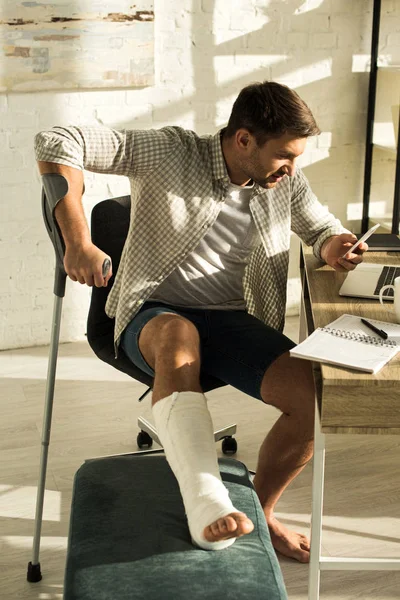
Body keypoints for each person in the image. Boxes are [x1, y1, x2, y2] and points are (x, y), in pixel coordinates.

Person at [35, 81, 367, 562]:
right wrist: (77, 241)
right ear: (244, 140)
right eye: (284, 156)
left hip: (232, 321)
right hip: (153, 315)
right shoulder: (170, 151)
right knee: (178, 334)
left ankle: (262, 513)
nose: (292, 169)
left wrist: (334, 244)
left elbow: (319, 226)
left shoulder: (285, 180)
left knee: (313, 401)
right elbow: (56, 140)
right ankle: (205, 499)